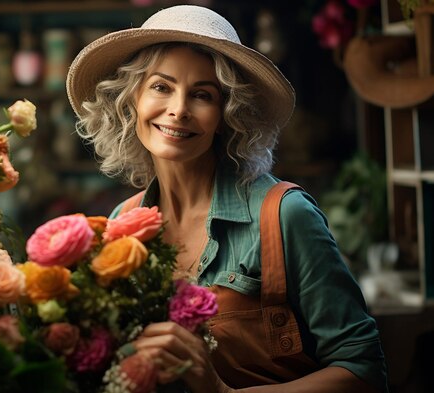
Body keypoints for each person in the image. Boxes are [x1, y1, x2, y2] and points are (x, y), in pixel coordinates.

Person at [66, 4, 388, 393]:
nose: (179, 110)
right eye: (161, 87)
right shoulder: (123, 223)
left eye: (202, 95)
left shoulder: (284, 215)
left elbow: (363, 371)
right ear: (131, 98)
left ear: (226, 114)